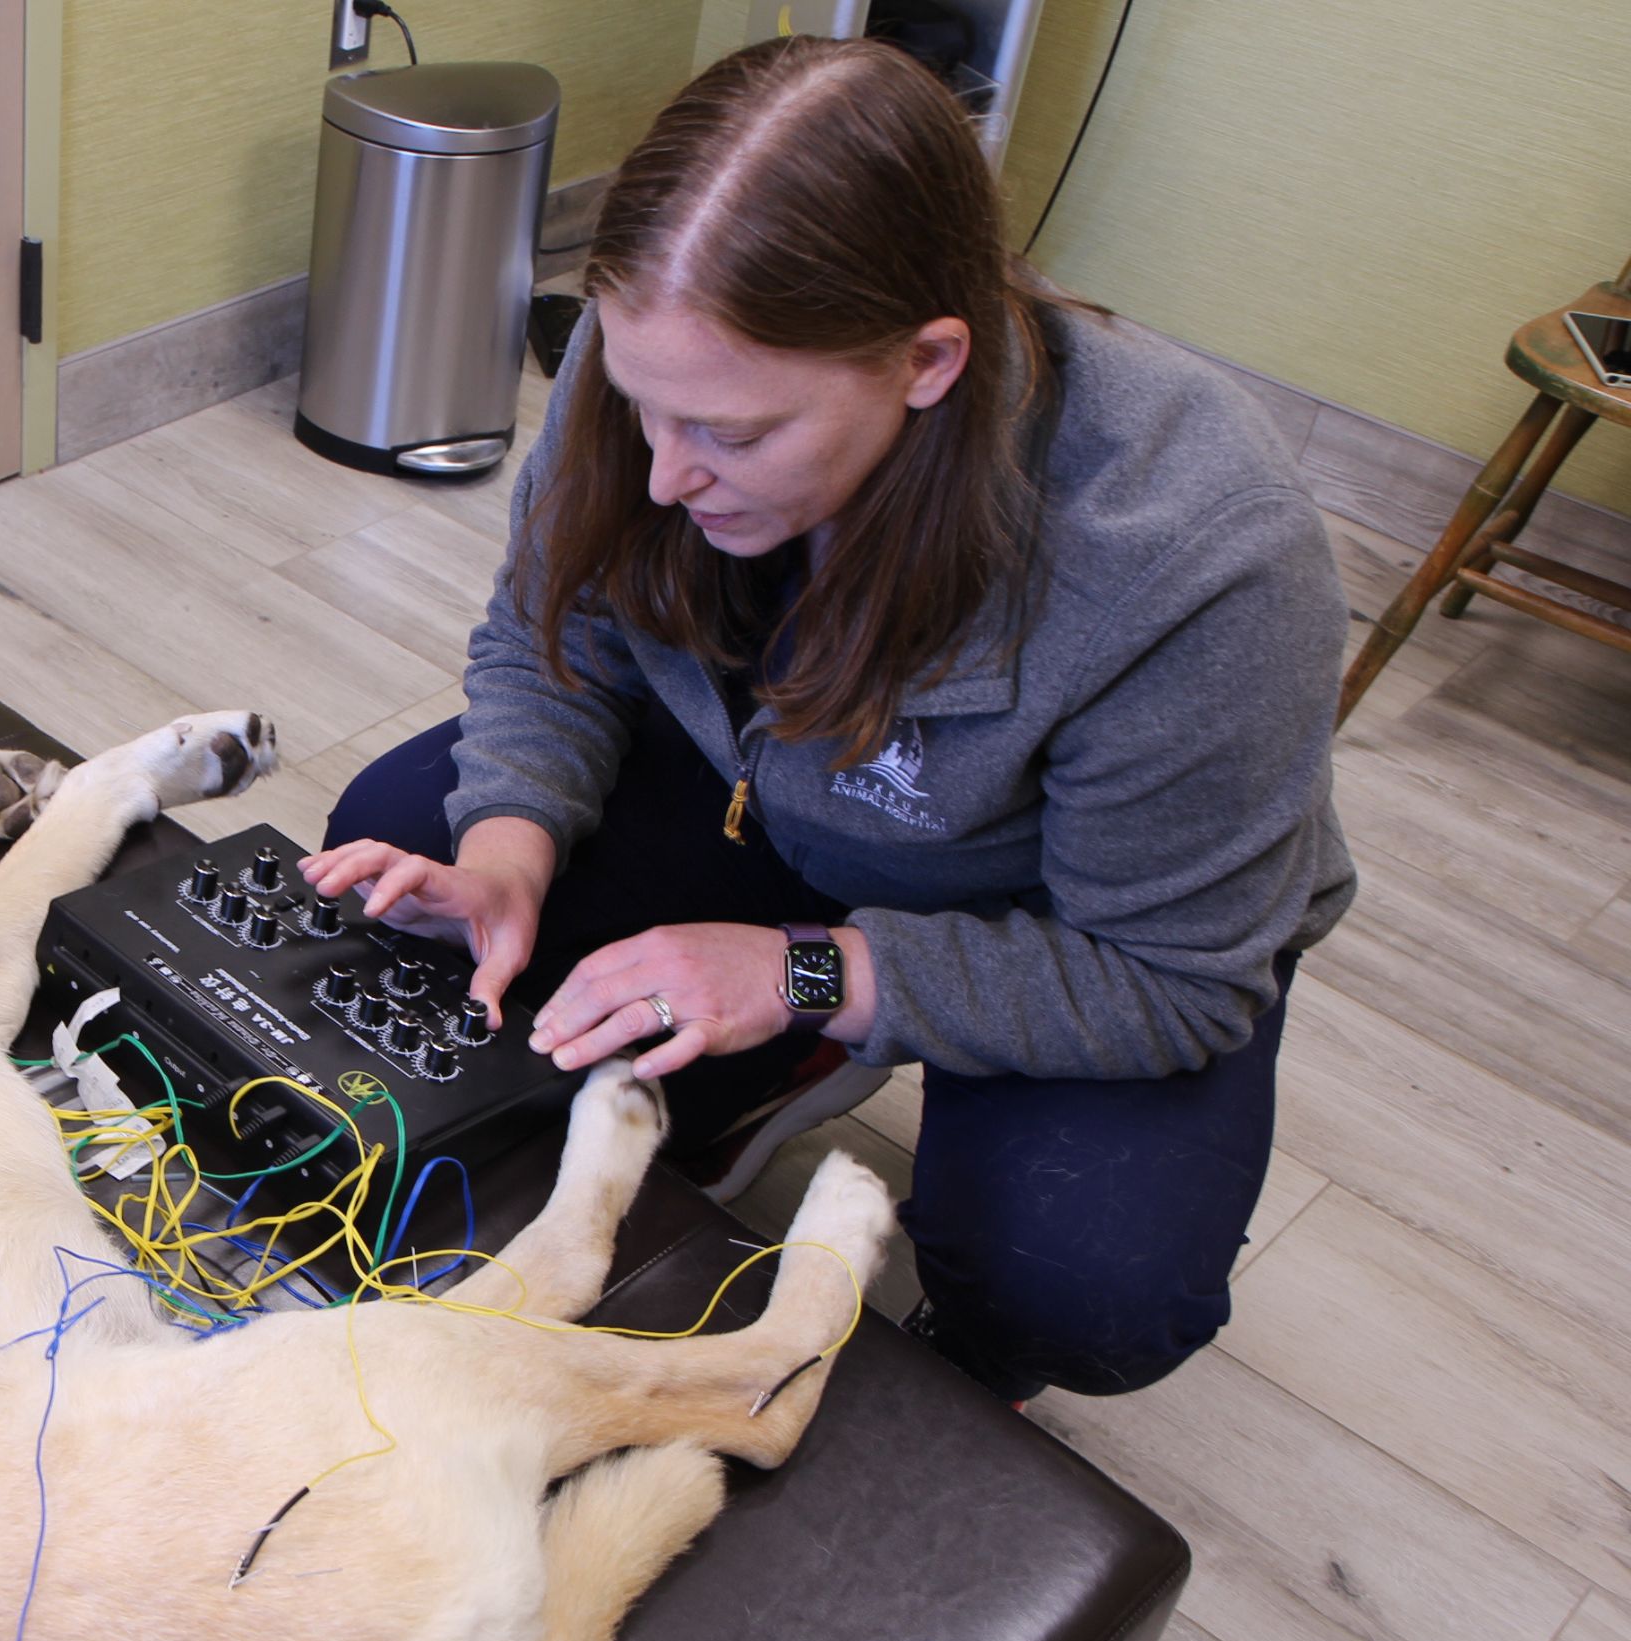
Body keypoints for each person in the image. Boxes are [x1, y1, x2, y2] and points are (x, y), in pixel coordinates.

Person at [302, 35, 1355, 1402]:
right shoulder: (670, 364)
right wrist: (510, 846)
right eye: (638, 409)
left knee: (1082, 1281)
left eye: (735, 437)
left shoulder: (1201, 562)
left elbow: (1172, 978)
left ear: (926, 362)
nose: (668, 475)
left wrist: (804, 972)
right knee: (400, 844)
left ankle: (945, 1307)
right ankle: (737, 1080)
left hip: (1044, 908)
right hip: (760, 786)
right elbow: (551, 636)